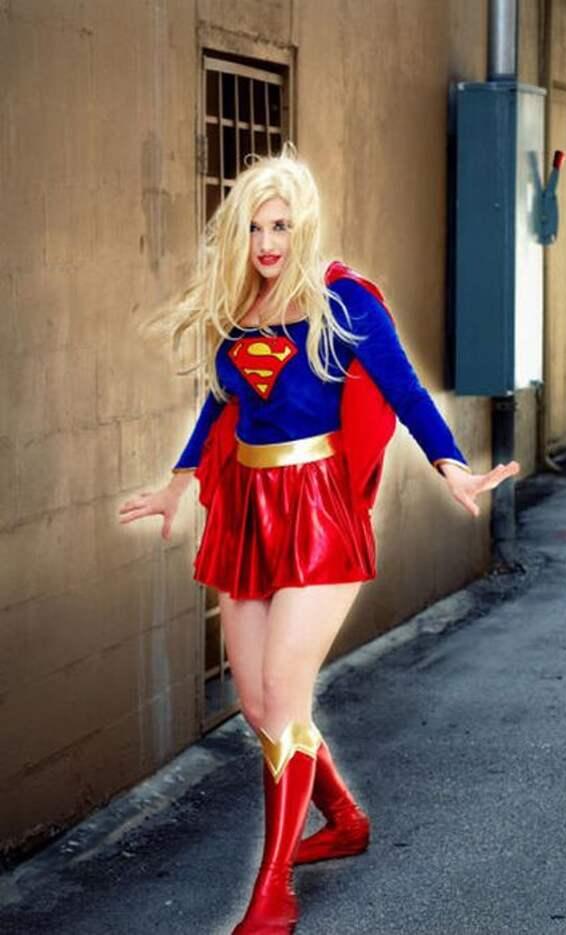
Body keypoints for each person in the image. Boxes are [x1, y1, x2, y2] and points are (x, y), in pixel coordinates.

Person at [118, 142, 519, 934]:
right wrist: (179, 480)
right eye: (255, 227)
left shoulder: (344, 305)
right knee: (258, 702)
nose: (268, 242)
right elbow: (220, 401)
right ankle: (342, 816)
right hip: (248, 509)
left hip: (319, 510)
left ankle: (272, 889)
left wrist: (451, 466)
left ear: (302, 226)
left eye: (281, 226)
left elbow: (405, 391)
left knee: (285, 691)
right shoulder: (239, 310)